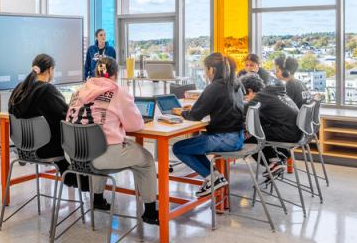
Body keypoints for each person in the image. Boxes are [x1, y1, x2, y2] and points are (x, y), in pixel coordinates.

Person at [66, 56, 161, 225]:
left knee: (97, 146)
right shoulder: (118, 92)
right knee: (146, 160)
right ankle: (150, 212)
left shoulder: (78, 92)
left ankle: (97, 199)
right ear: (116, 74)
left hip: (74, 154)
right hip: (102, 156)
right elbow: (135, 125)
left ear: (95, 73)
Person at [171, 52, 246, 197]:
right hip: (238, 137)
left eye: (205, 69)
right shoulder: (235, 83)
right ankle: (214, 177)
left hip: (224, 139)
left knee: (179, 148)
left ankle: (213, 177)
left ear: (212, 69)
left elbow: (195, 116)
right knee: (192, 147)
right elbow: (223, 105)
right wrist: (195, 109)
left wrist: (182, 112)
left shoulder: (215, 87)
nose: (205, 73)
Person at [6, 55, 73, 189]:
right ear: (50, 70)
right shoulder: (47, 90)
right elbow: (65, 116)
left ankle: (72, 179)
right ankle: (78, 181)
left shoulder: (19, 89)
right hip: (45, 149)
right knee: (75, 142)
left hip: (22, 148)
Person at [240, 74, 302, 178]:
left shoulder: (262, 96)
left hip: (289, 133)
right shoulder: (272, 93)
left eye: (245, 97)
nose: (247, 99)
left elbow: (244, 110)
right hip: (296, 131)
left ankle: (274, 161)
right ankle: (279, 157)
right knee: (259, 129)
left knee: (250, 136)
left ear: (250, 91)